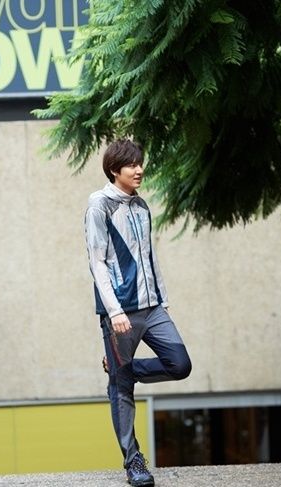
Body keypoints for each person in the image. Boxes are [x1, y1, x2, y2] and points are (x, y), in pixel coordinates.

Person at [84, 139, 192, 487]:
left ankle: (124, 370)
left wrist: (163, 298)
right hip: (121, 313)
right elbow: (97, 262)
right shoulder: (99, 205)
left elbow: (149, 256)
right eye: (132, 165)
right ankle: (133, 463)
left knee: (179, 364)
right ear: (114, 169)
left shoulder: (142, 205)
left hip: (152, 306)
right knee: (121, 389)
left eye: (140, 163)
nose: (139, 169)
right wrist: (114, 310)